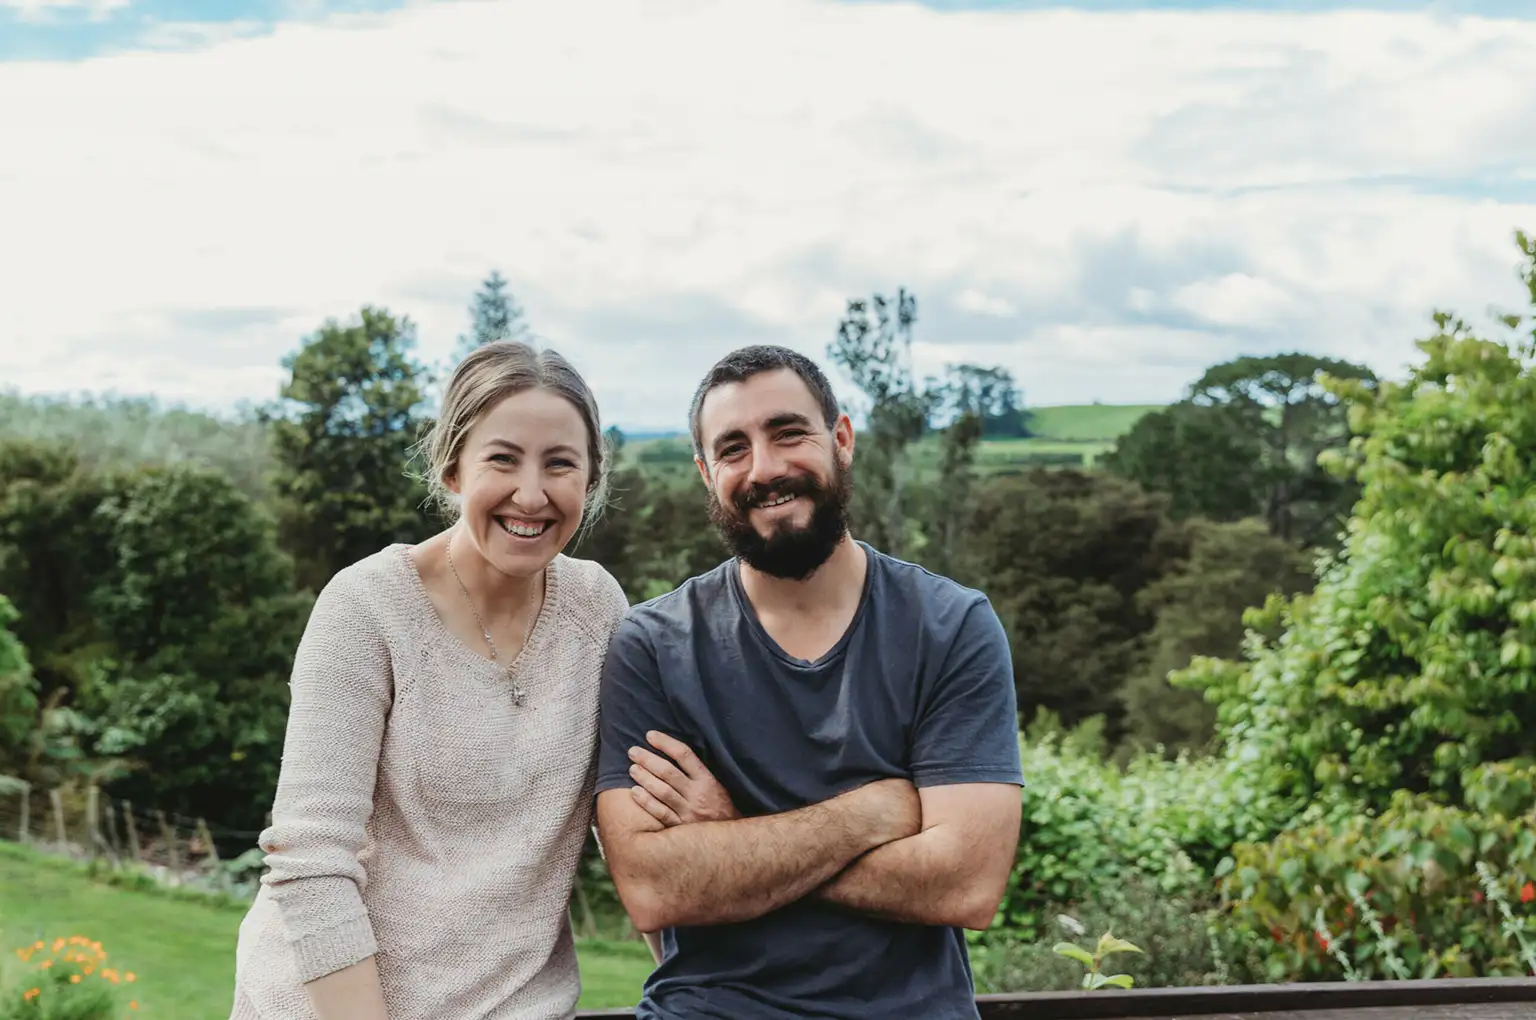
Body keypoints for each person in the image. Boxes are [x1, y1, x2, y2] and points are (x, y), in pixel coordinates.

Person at [593, 344, 1024, 1019]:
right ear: (708, 475)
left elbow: (966, 885)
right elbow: (653, 888)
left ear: (841, 440)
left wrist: (733, 834)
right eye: (733, 449)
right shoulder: (651, 645)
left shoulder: (949, 626)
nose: (765, 469)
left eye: (788, 432)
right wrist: (870, 815)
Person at [230, 341, 630, 1020]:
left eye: (559, 464)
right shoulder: (367, 609)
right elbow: (311, 863)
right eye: (502, 459)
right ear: (451, 469)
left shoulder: (598, 611)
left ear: (588, 482)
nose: (530, 494)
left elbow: (633, 828)